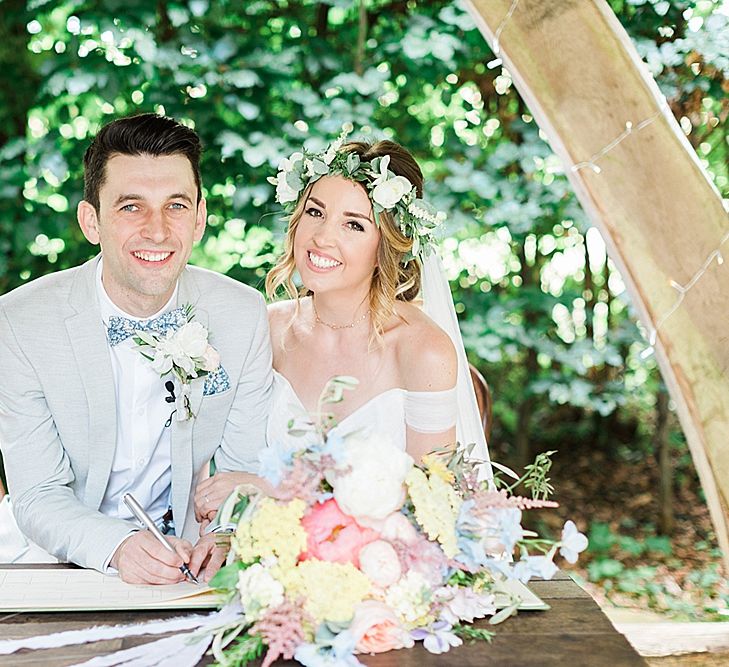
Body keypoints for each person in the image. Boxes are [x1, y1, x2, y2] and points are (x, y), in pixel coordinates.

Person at [0, 113, 272, 583]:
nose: (158, 230)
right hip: (59, 559)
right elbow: (39, 492)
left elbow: (243, 468)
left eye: (176, 206)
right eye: (131, 207)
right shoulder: (21, 322)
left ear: (201, 217)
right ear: (91, 221)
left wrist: (226, 534)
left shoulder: (243, 314)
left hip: (191, 565)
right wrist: (118, 545)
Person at [194, 127, 491, 524]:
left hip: (379, 570)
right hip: (262, 561)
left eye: (353, 224)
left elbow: (434, 506)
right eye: (315, 213)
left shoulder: (423, 351)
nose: (322, 238)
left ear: (387, 244)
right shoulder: (266, 330)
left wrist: (272, 489)